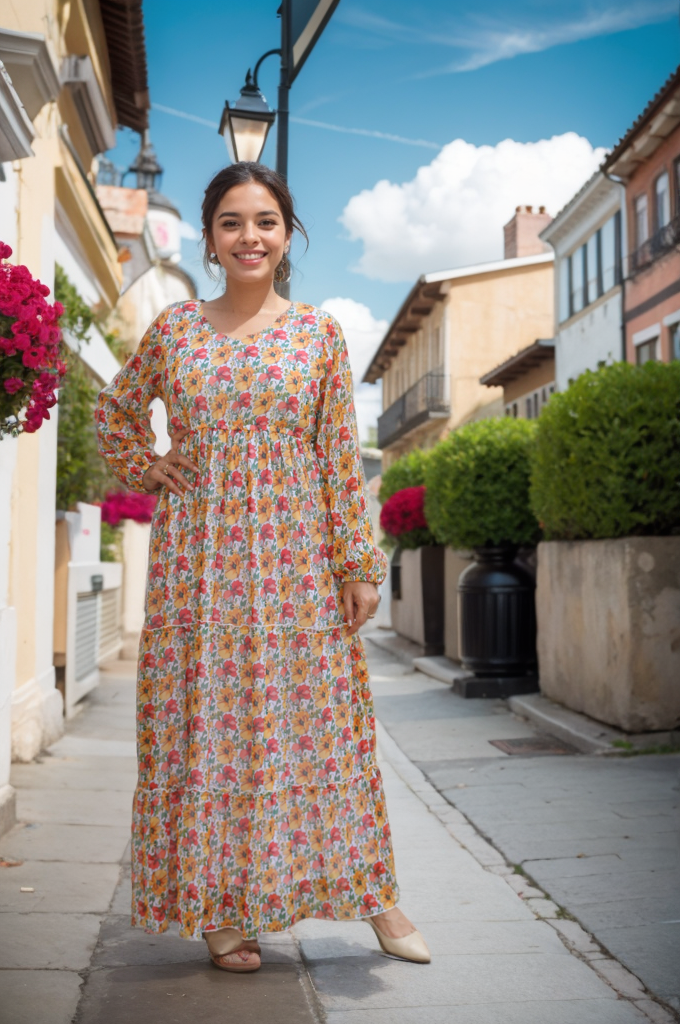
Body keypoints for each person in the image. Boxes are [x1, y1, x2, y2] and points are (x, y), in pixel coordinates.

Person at [96, 162, 430, 972]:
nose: (251, 237)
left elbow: (334, 456)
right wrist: (149, 466)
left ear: (289, 235)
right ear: (210, 239)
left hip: (296, 563)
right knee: (208, 732)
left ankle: (375, 896)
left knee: (321, 728)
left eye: (266, 222)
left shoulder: (318, 334)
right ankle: (220, 911)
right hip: (200, 565)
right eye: (233, 223)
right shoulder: (175, 331)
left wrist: (356, 562)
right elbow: (113, 411)